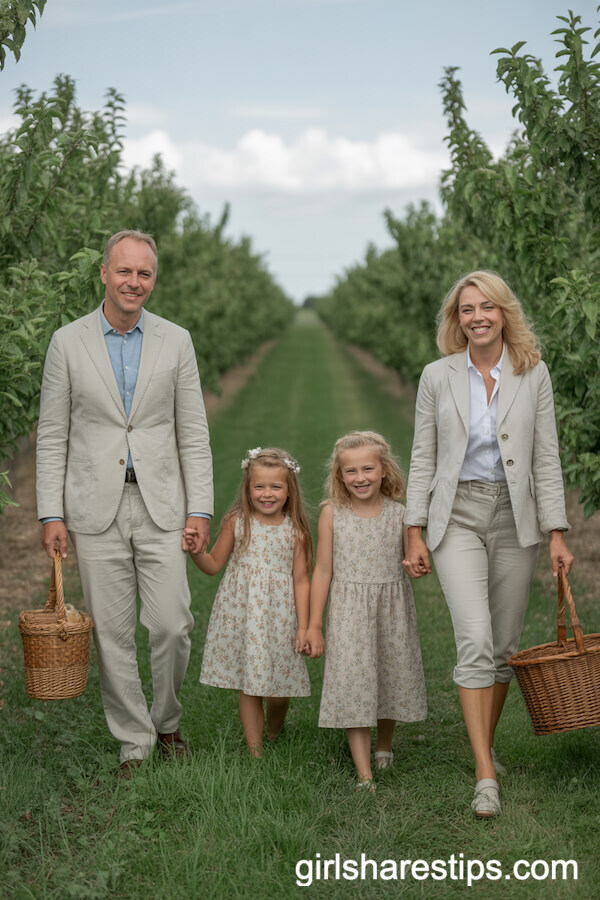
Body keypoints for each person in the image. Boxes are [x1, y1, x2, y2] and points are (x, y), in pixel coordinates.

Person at [36, 230, 214, 776]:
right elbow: (51, 434)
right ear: (104, 275)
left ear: (152, 280)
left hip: (162, 503)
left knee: (172, 624)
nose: (134, 282)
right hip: (93, 507)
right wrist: (51, 512)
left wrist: (200, 508)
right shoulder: (68, 342)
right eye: (125, 272)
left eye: (144, 274)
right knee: (112, 633)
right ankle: (134, 741)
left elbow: (193, 431)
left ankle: (166, 720)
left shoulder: (176, 340)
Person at [402, 270, 573, 818]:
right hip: (458, 515)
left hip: (515, 516)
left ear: (504, 313)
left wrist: (557, 532)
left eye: (487, 308)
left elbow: (545, 456)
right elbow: (423, 455)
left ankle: (485, 744)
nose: (477, 317)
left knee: (502, 648)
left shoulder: (532, 372)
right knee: (474, 640)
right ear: (457, 319)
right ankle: (483, 774)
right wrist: (415, 528)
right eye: (467, 309)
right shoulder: (437, 375)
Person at [304, 431, 427, 791]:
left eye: (368, 469)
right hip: (348, 612)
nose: (360, 478)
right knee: (354, 681)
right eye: (351, 471)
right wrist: (314, 624)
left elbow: (410, 558)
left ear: (384, 470)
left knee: (390, 675)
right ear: (339, 476)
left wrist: (415, 565)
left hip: (391, 607)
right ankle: (364, 772)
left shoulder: (401, 515)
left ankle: (384, 746)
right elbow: (323, 570)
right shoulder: (332, 514)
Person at [185, 447, 311, 757]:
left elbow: (301, 580)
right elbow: (214, 564)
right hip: (244, 614)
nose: (267, 494)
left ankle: (273, 730)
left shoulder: (296, 533)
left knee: (279, 690)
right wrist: (195, 552)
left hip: (281, 616)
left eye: (275, 487)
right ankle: (256, 753)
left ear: (289, 490)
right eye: (259, 486)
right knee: (250, 683)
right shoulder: (237, 522)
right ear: (248, 487)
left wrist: (305, 626)